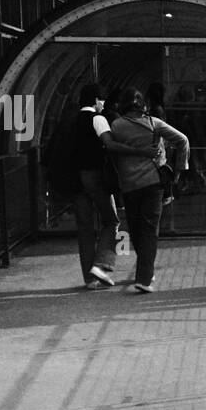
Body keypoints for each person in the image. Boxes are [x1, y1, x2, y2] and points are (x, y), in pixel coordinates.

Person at [44, 83, 154, 289]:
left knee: (85, 229)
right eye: (101, 100)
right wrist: (138, 152)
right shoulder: (97, 118)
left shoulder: (67, 121)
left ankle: (89, 279)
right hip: (94, 178)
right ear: (95, 100)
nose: (103, 104)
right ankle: (101, 264)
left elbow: (50, 153)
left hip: (74, 182)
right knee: (111, 221)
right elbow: (110, 144)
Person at [103, 89, 190, 293]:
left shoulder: (116, 125)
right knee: (150, 230)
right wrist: (178, 171)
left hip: (129, 184)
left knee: (135, 228)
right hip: (152, 183)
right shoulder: (154, 123)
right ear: (143, 105)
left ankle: (145, 270)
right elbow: (183, 140)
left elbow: (112, 150)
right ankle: (144, 277)